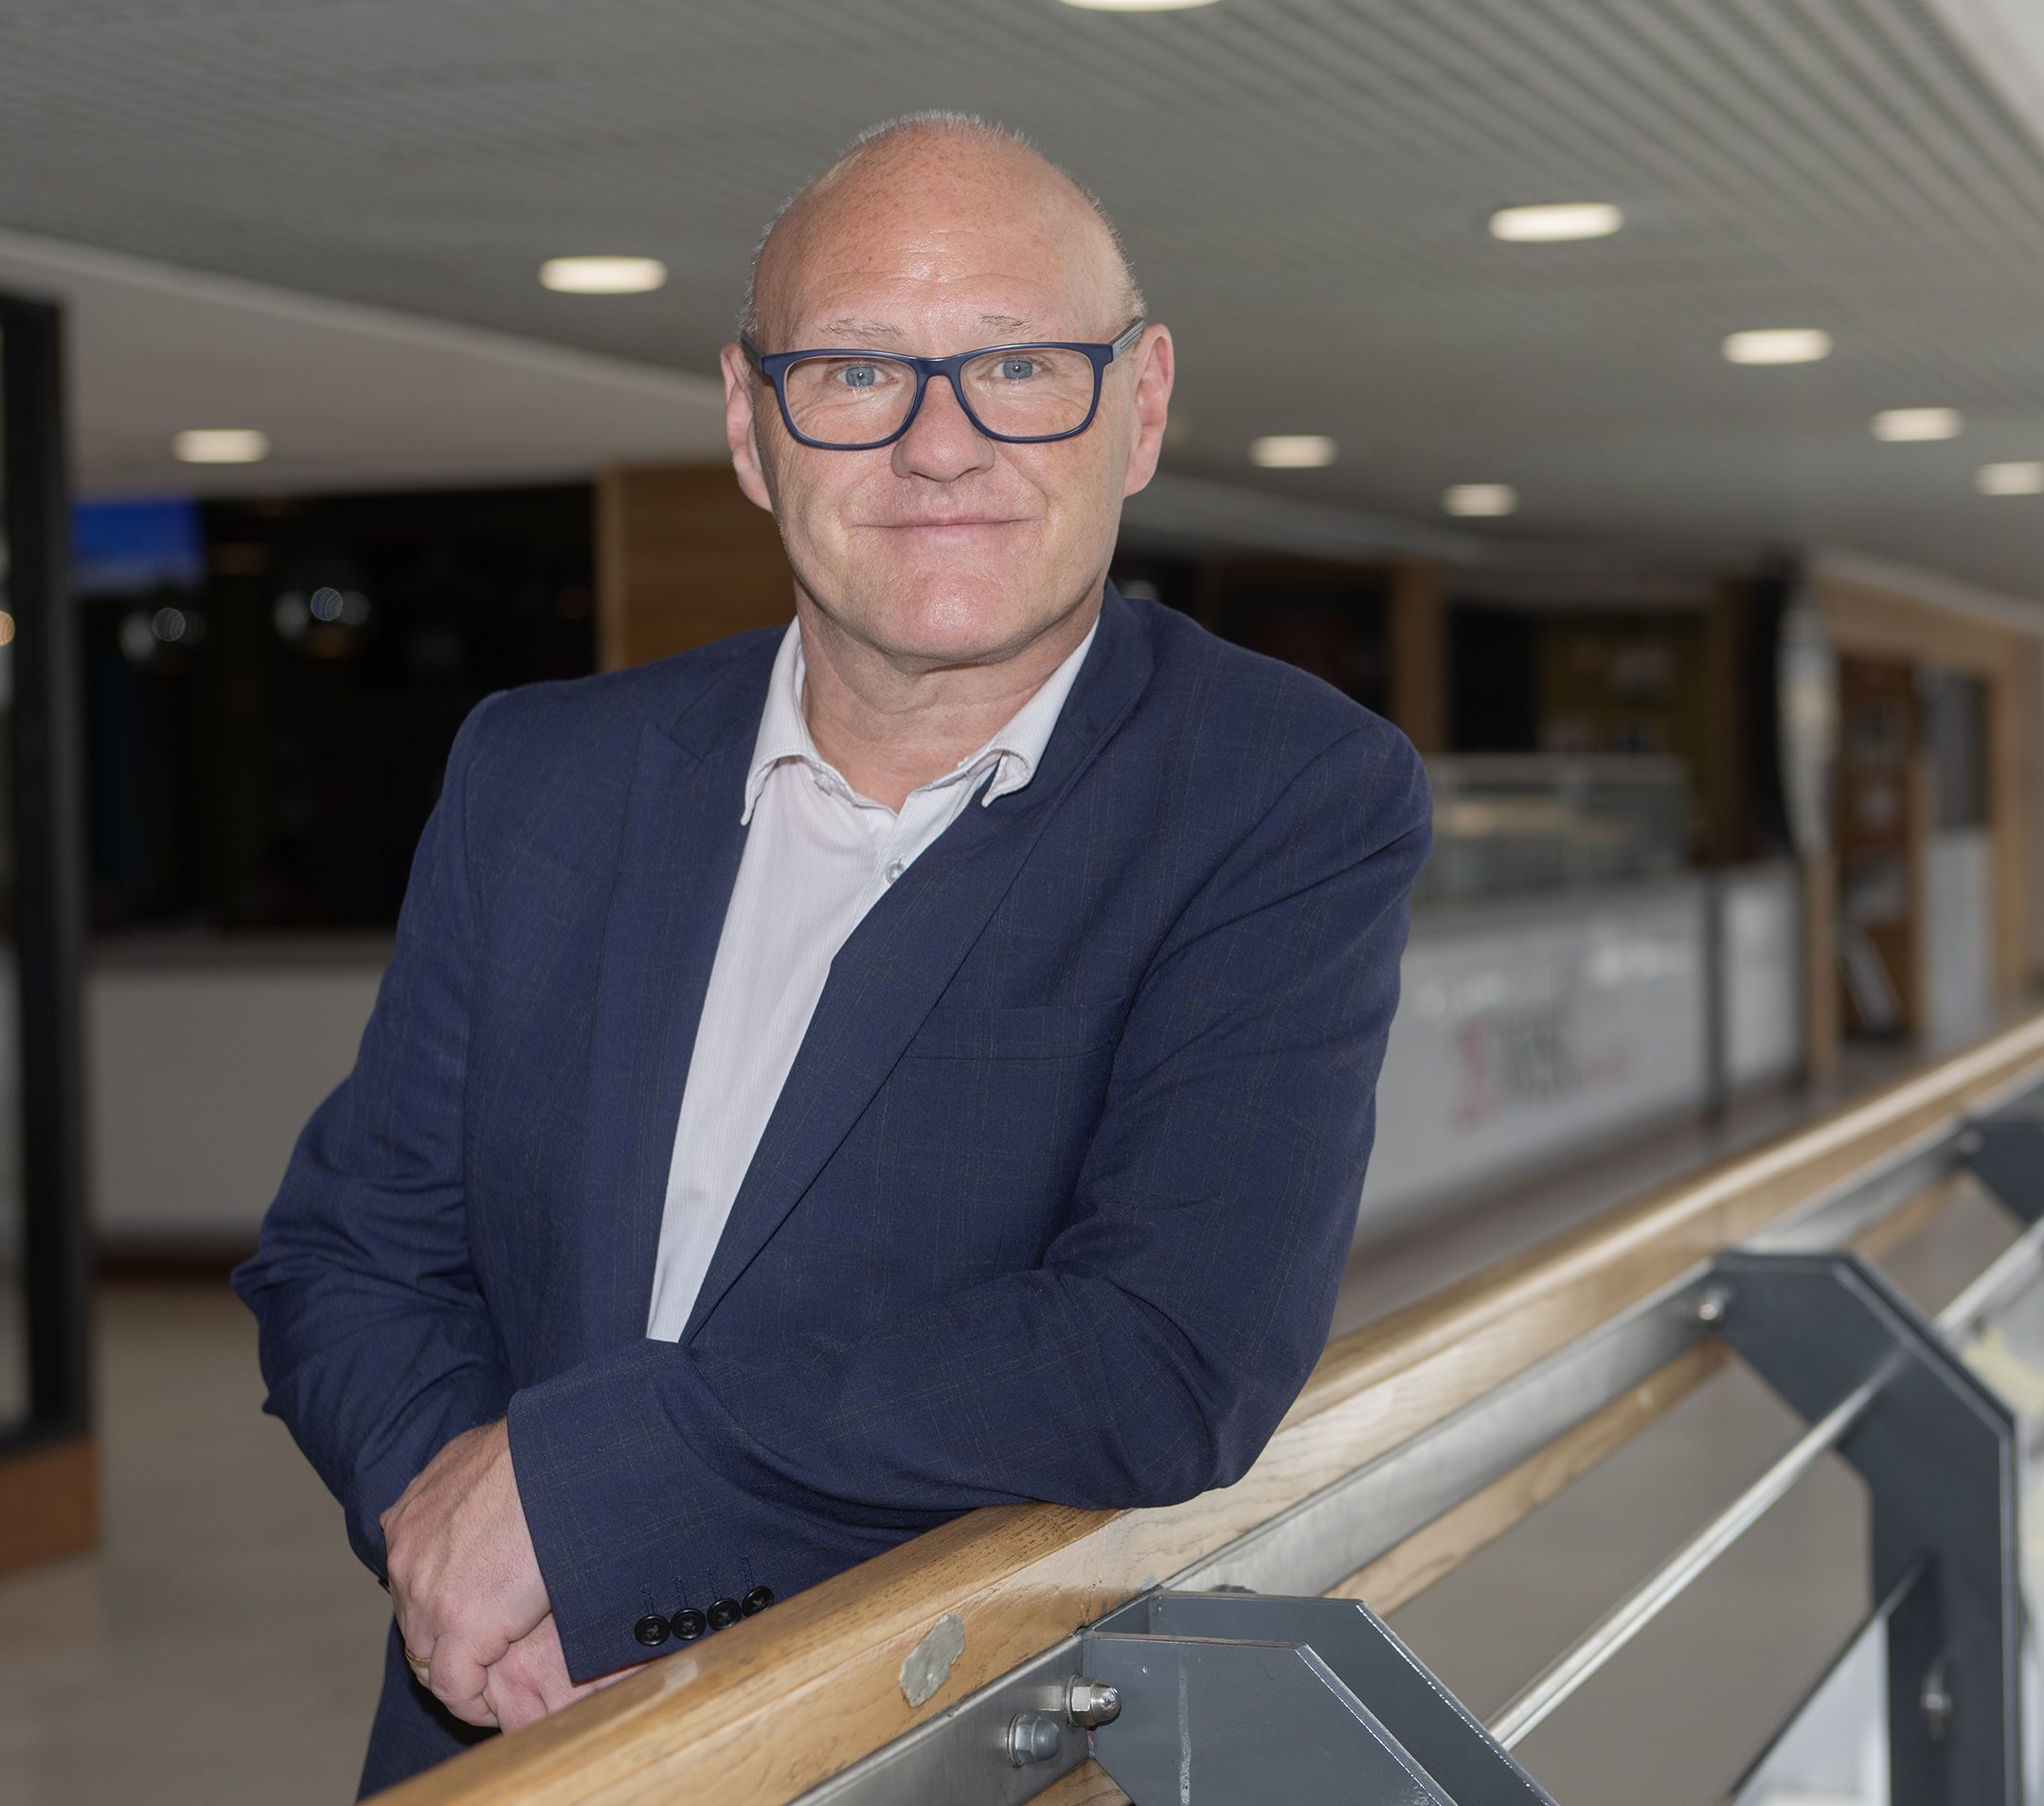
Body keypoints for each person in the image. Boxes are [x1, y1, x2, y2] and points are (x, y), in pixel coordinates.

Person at [233, 111, 1431, 1795]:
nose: (940, 447)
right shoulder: (543, 772)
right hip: (502, 1737)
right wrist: (477, 1550)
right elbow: (348, 1257)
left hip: (927, 1742)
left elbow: (1163, 1354)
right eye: (859, 374)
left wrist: (587, 1500)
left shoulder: (1282, 793)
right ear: (750, 424)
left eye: (1019, 366)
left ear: (1141, 405)